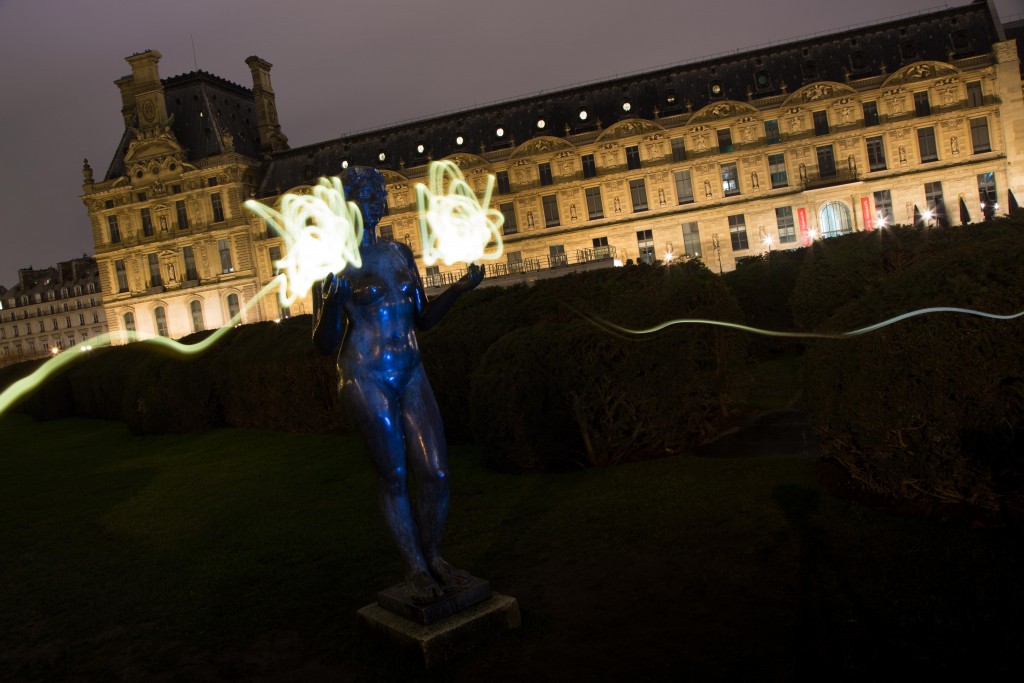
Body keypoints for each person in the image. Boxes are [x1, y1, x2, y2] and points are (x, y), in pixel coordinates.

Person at [313, 166, 484, 603]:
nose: (375, 198)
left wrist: (460, 289)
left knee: (437, 471)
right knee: (393, 476)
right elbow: (324, 343)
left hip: (411, 371)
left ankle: (435, 557)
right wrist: (333, 300)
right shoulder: (334, 264)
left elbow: (422, 319)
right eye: (364, 192)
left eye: (379, 191)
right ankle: (416, 568)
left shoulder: (400, 254)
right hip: (364, 375)